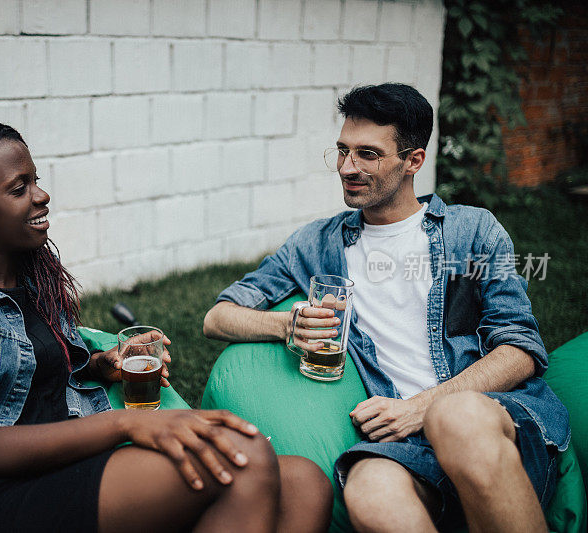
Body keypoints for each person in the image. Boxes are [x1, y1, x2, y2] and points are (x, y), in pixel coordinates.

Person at [0, 115, 332, 533]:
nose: (42, 195)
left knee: (304, 481)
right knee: (243, 460)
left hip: (64, 465)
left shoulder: (30, 276)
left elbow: (27, 376)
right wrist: (125, 424)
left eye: (36, 180)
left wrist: (101, 366)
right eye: (18, 187)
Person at [203, 84, 569, 532]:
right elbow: (217, 317)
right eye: (342, 151)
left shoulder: (472, 232)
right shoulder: (318, 245)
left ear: (413, 160)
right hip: (405, 443)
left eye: (367, 154)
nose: (347, 167)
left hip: (494, 419)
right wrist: (287, 324)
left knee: (455, 417)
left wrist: (423, 407)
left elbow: (521, 349)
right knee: (367, 487)